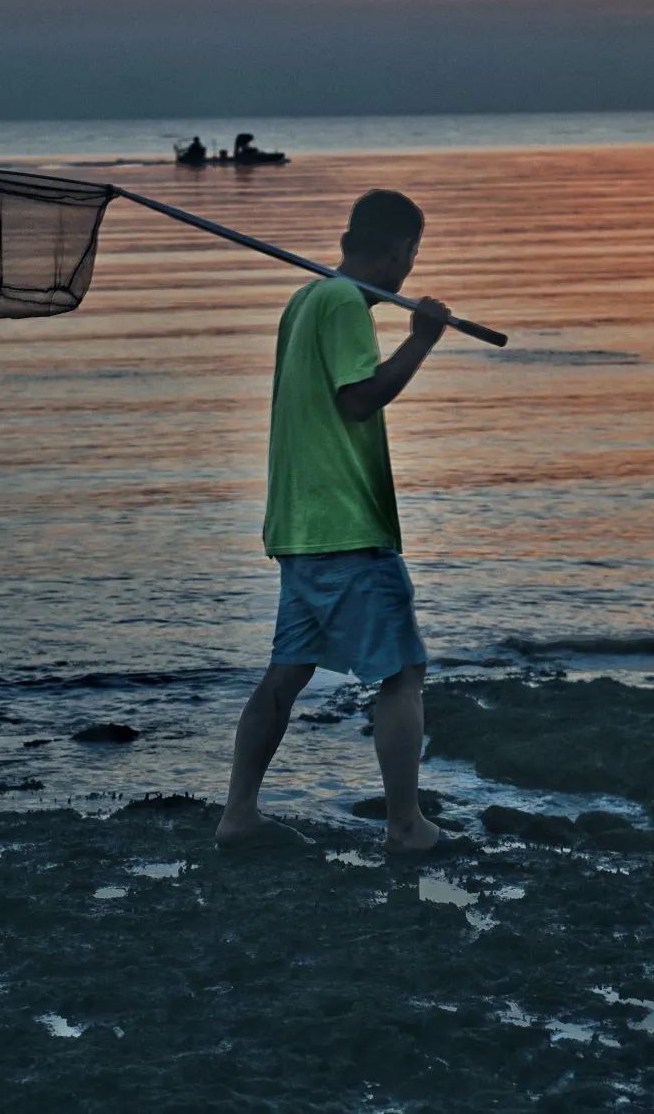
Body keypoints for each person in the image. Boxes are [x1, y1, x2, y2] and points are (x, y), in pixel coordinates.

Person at [216, 189, 458, 858]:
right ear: (400, 249)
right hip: (346, 527)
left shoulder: (306, 300)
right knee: (403, 673)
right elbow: (359, 399)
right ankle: (406, 825)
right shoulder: (345, 303)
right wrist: (422, 340)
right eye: (413, 252)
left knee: (285, 675)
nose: (411, 266)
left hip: (300, 528)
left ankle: (239, 814)